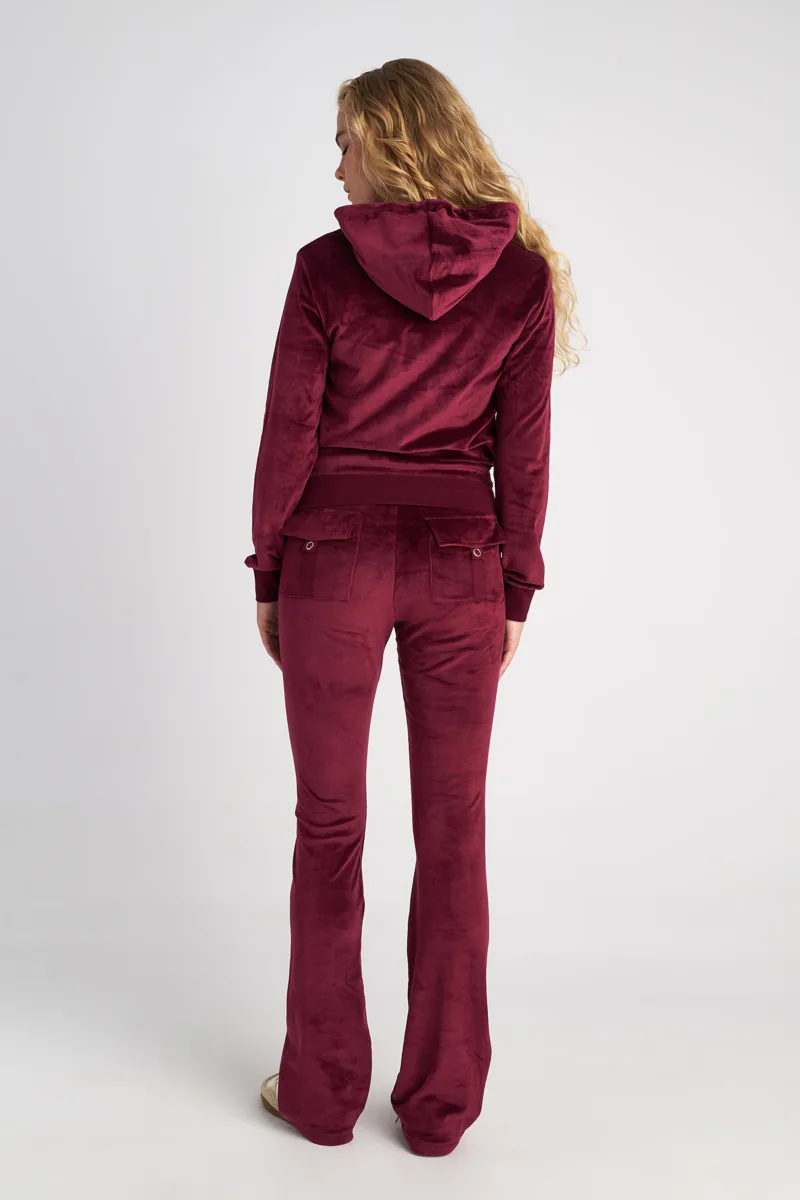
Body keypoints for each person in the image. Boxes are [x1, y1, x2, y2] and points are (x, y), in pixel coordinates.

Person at [244, 58, 581, 1156]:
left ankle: (320, 1094)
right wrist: (515, 584)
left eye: (345, 141)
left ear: (391, 144)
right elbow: (523, 457)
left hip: (331, 562)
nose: (335, 165)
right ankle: (439, 1110)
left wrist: (269, 571)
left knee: (328, 827)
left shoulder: (323, 268)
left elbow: (288, 435)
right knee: (454, 830)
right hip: (459, 567)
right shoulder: (520, 279)